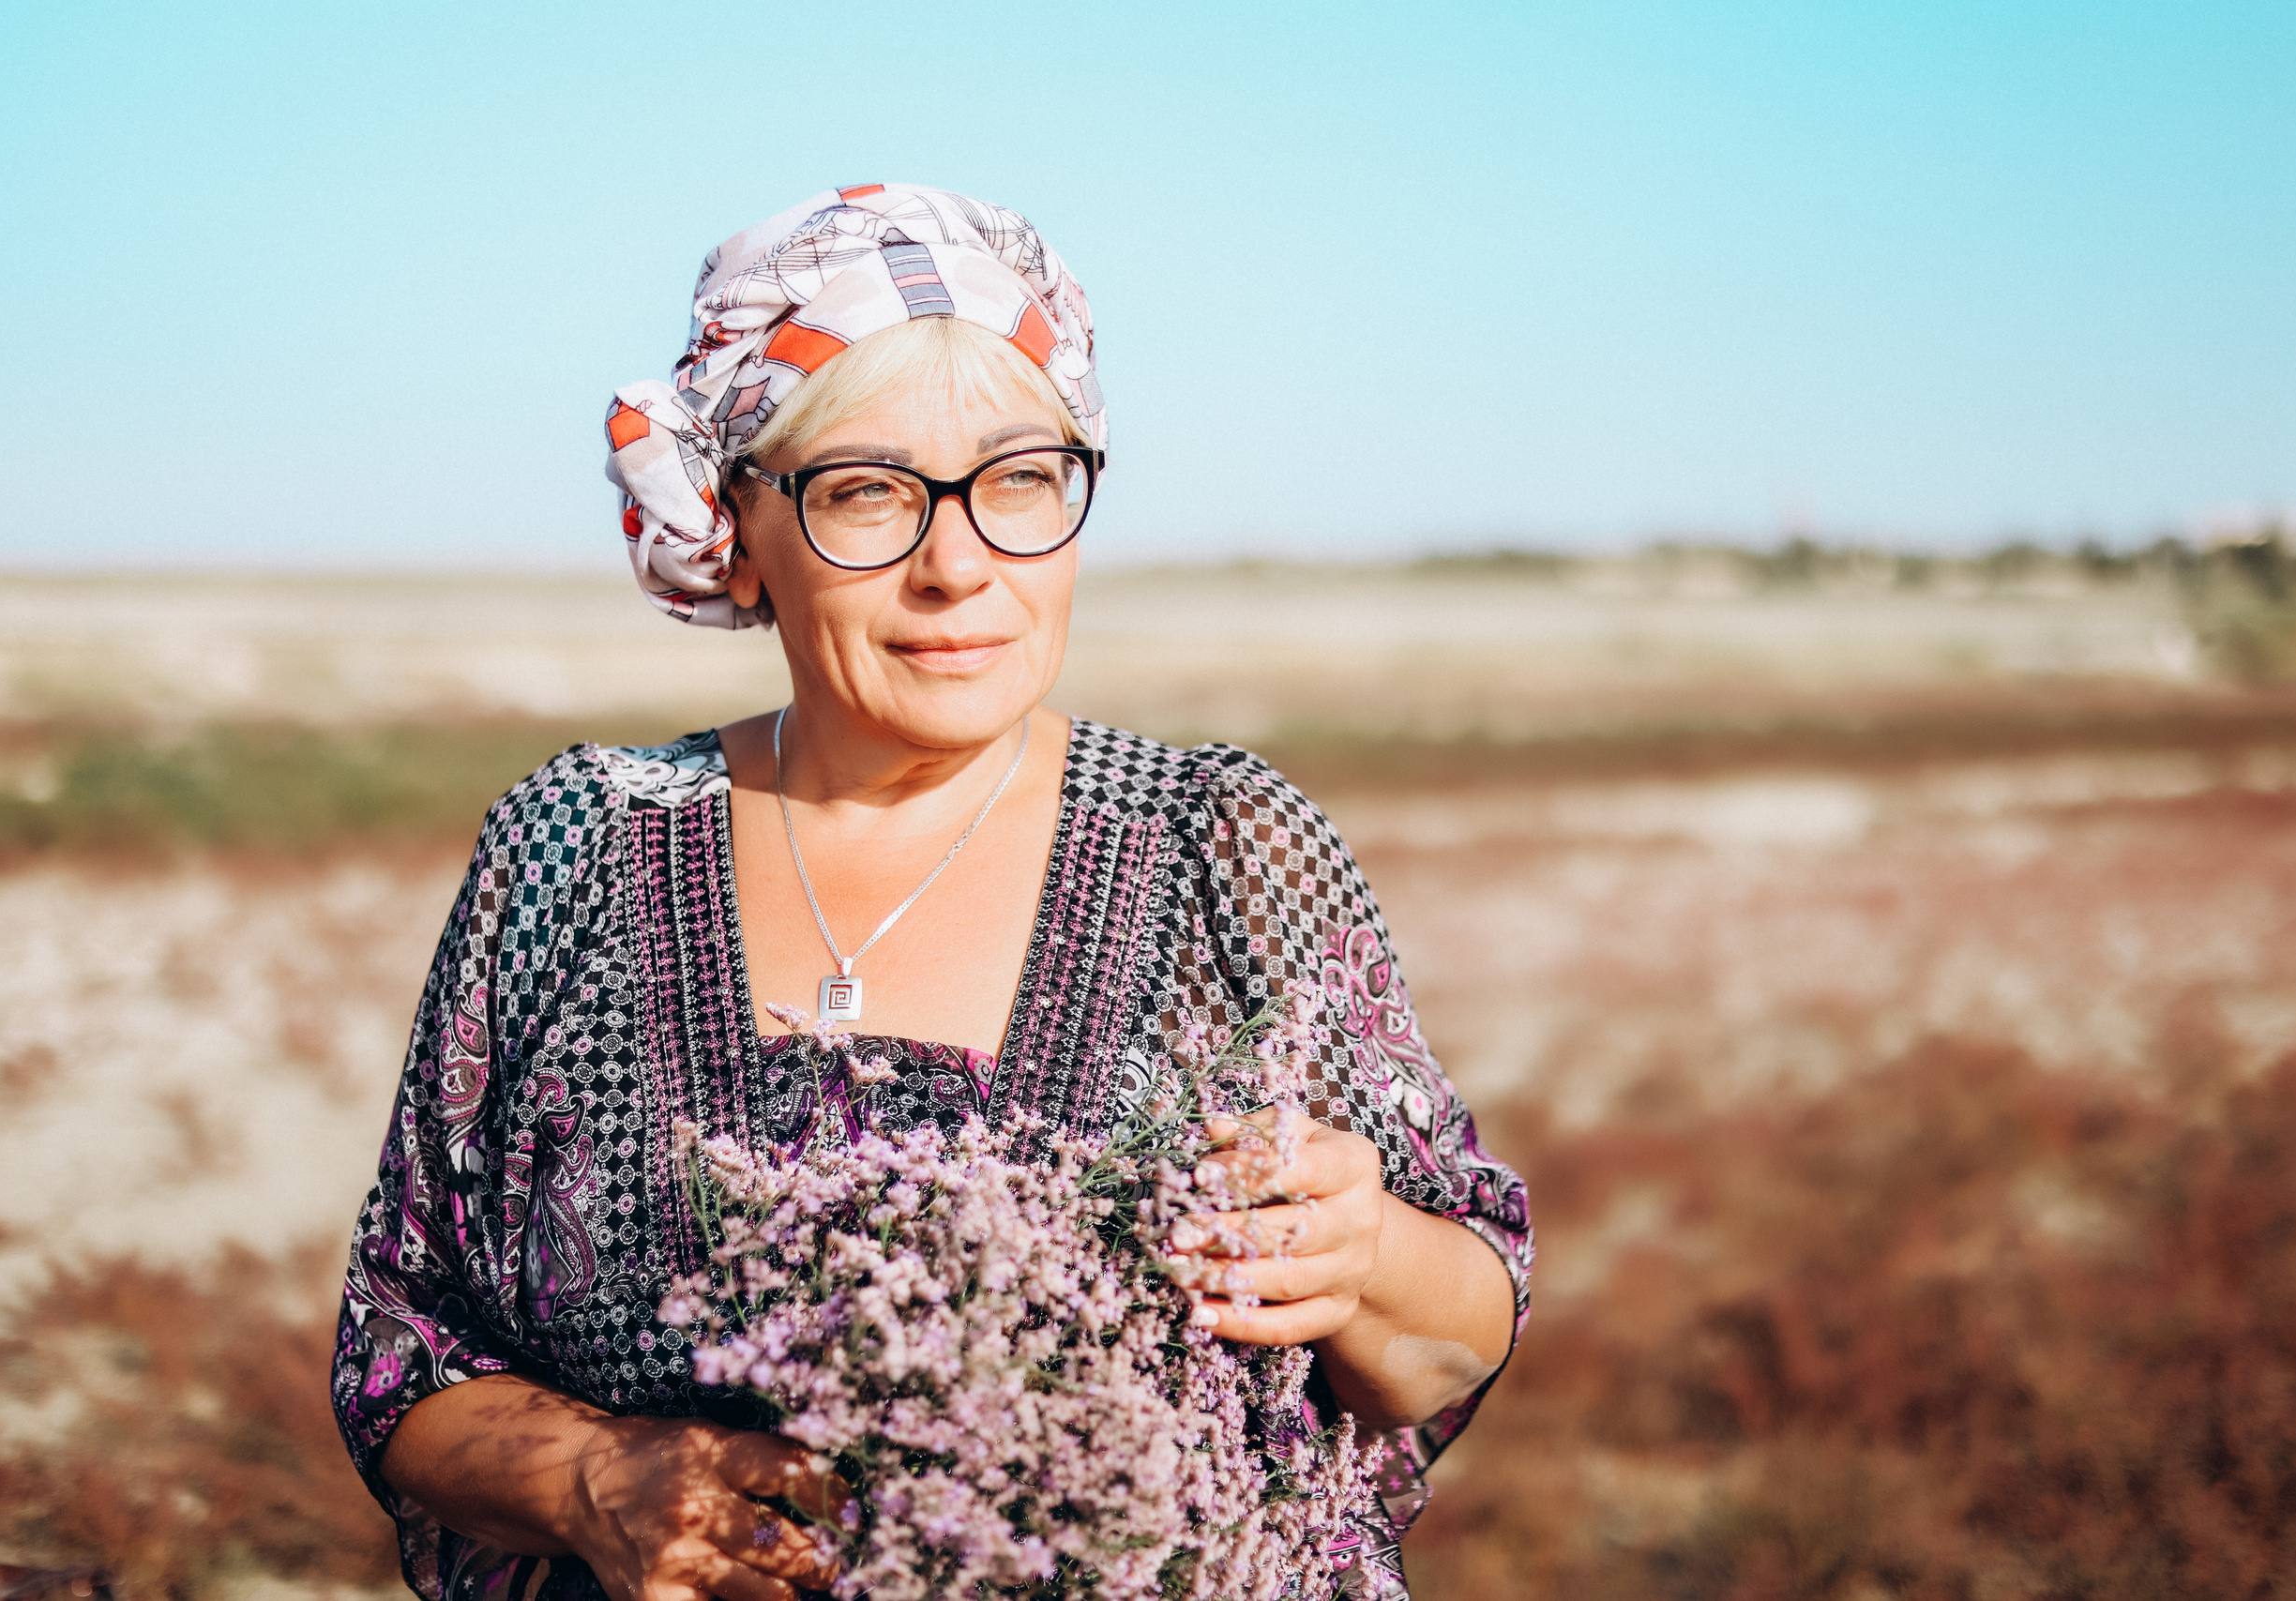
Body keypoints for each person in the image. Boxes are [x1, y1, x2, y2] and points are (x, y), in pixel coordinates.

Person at [332, 184, 1532, 1601]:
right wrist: (600, 1478)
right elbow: (404, 1346)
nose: (957, 565)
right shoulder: (576, 847)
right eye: (865, 494)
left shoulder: (1227, 845)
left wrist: (1367, 1252)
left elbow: (1465, 1326)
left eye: (1020, 479)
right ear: (737, 530)